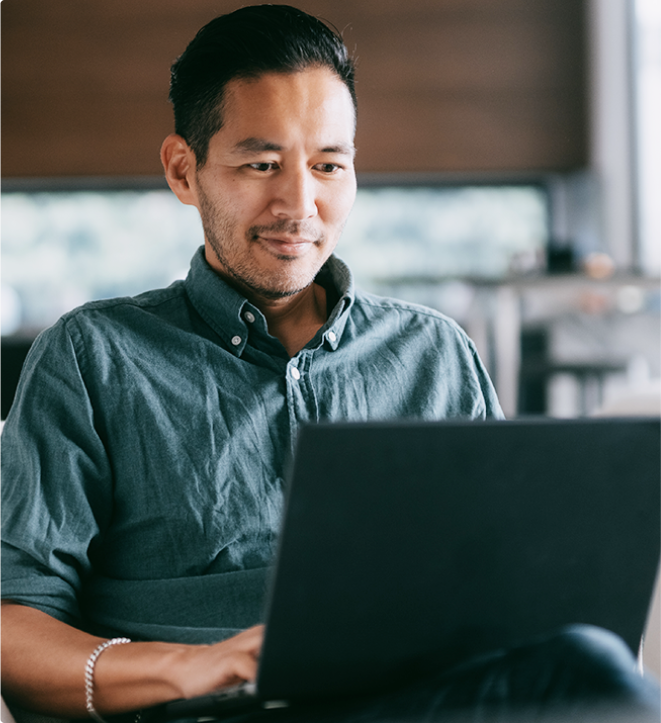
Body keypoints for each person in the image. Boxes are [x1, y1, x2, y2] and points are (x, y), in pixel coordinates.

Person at [0, 6, 659, 723]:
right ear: (184, 171)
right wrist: (192, 666)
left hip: (408, 706)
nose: (299, 203)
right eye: (260, 164)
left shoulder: (433, 353)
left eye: (327, 165)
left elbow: (498, 594)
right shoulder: (92, 356)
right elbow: (14, 631)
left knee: (589, 667)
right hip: (204, 712)